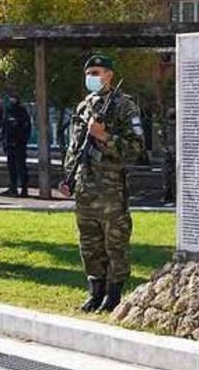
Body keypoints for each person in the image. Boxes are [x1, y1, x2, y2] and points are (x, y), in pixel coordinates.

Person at [59, 54, 144, 313]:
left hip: (110, 189)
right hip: (85, 188)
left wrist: (104, 136)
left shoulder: (124, 106)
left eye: (96, 72)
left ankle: (114, 293)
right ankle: (95, 291)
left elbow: (136, 148)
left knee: (114, 243)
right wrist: (68, 178)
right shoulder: (84, 106)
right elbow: (74, 148)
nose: (91, 77)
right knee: (89, 242)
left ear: (109, 75)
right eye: (89, 73)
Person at [2, 92, 31, 197]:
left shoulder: (21, 111)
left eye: (14, 98)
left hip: (19, 145)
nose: (12, 100)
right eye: (10, 97)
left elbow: (26, 128)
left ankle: (24, 189)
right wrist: (5, 141)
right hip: (9, 144)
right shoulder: (8, 111)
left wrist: (21, 140)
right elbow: (5, 127)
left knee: (21, 167)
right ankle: (13, 188)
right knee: (11, 167)